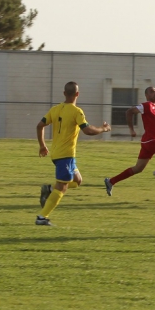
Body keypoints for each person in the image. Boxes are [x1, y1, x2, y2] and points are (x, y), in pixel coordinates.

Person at [35, 81, 111, 226]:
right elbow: (88, 131)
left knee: (77, 181)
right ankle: (42, 217)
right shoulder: (77, 112)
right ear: (77, 94)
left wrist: (42, 146)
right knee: (62, 186)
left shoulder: (55, 109)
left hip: (60, 154)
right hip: (65, 155)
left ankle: (49, 189)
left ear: (64, 93)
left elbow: (40, 126)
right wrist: (104, 129)